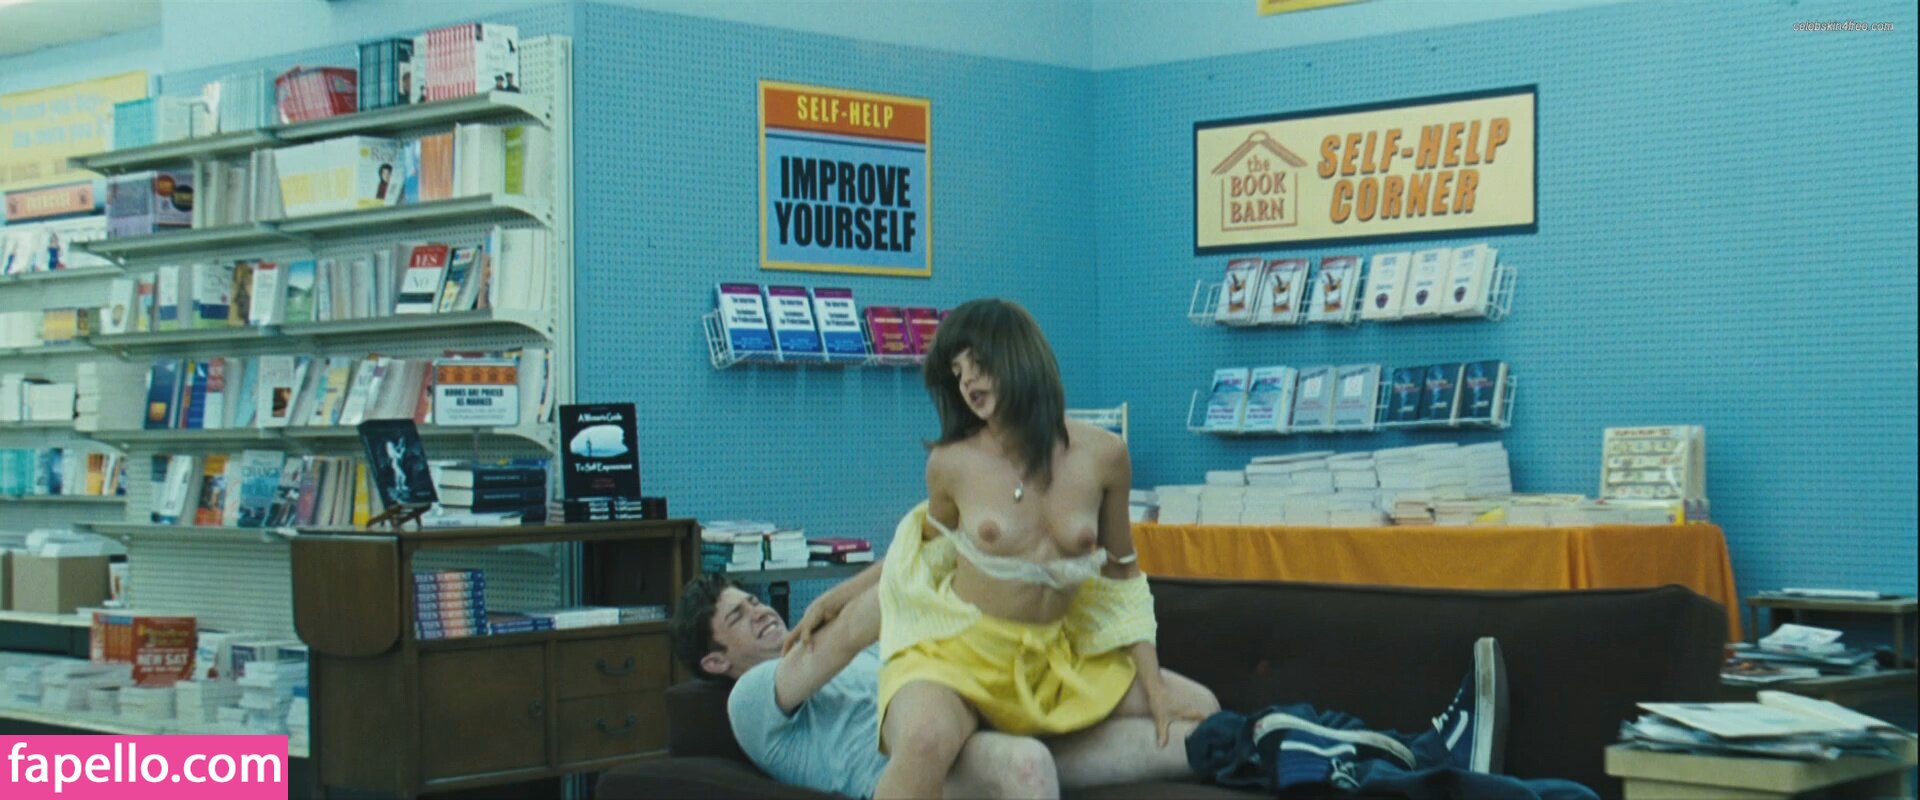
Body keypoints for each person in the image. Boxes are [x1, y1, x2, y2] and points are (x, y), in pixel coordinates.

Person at [793, 298, 1217, 798]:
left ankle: (1023, 761)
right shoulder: (951, 463)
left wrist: (1152, 680)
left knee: (1202, 709)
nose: (968, 382)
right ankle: (982, 755)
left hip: (1054, 659)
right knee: (925, 741)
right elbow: (920, 554)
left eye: (978, 363)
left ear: (1020, 356)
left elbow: (1123, 573)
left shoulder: (1105, 455)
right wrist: (841, 594)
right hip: (960, 654)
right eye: (957, 372)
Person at [671, 574, 1205, 799]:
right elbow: (843, 637)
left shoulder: (863, 653)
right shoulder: (750, 697)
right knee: (1027, 766)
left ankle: (1242, 746)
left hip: (978, 711)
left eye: (753, 601)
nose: (760, 612)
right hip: (922, 768)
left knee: (1193, 724)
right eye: (738, 617)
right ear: (716, 661)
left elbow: (901, 577)